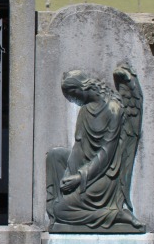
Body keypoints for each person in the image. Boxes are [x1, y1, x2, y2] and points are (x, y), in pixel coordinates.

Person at [45, 69, 145, 232]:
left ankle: (116, 214)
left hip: (102, 176)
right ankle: (63, 201)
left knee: (61, 210)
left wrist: (78, 178)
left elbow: (106, 154)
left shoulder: (114, 108)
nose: (72, 99)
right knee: (55, 156)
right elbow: (79, 147)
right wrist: (70, 172)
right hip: (83, 166)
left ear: (83, 87)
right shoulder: (86, 109)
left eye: (72, 93)